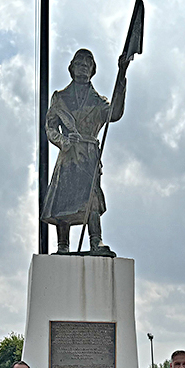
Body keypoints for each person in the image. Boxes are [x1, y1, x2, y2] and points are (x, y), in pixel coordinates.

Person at [41, 48, 128, 257]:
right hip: (69, 155)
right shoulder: (60, 97)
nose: (84, 68)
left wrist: (122, 74)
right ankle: (63, 245)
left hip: (89, 155)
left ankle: (95, 241)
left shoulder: (98, 101)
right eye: (80, 64)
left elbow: (114, 114)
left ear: (93, 70)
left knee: (93, 200)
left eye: (88, 65)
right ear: (72, 68)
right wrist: (63, 141)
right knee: (64, 198)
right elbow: (50, 127)